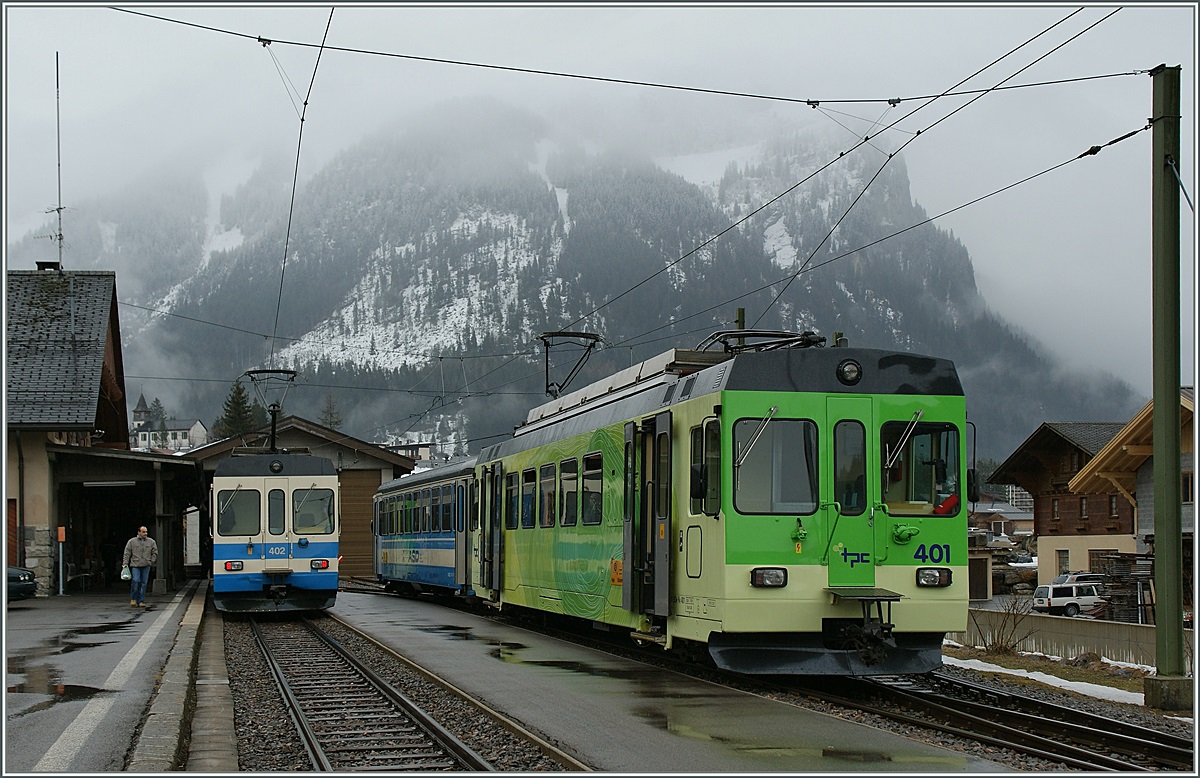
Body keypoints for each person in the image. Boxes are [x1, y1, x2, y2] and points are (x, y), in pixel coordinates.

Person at [122, 526, 158, 607]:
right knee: (136, 581)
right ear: (139, 532)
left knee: (143, 583)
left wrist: (151, 561)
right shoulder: (132, 541)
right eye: (143, 532)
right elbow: (127, 552)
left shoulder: (151, 542)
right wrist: (125, 563)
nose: (145, 533)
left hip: (146, 565)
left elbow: (155, 552)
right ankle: (133, 598)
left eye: (146, 532)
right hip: (135, 565)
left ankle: (141, 600)